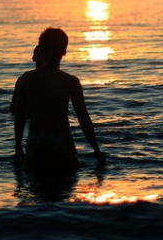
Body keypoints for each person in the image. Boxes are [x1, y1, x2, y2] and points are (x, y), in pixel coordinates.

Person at [12, 28, 105, 174]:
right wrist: (96, 150)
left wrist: (18, 146)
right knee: (66, 181)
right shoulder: (70, 82)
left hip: (37, 140)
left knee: (36, 182)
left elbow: (19, 116)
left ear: (41, 50)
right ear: (64, 52)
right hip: (62, 140)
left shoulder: (26, 80)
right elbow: (83, 118)